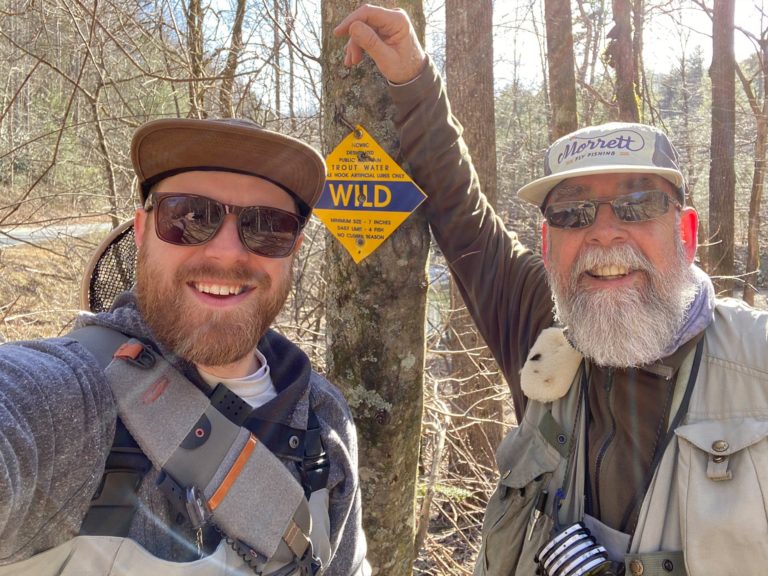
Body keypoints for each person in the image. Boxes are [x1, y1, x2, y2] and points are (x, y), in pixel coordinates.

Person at [334, 6, 768, 576]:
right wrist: (415, 80)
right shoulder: (546, 330)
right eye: (572, 213)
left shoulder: (757, 367)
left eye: (639, 206)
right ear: (546, 243)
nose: (604, 233)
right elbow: (465, 217)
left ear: (685, 233)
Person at [0, 118, 370, 576]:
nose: (228, 252)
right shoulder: (65, 400)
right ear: (141, 231)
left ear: (292, 250)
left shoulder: (325, 420)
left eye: (268, 226)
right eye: (190, 217)